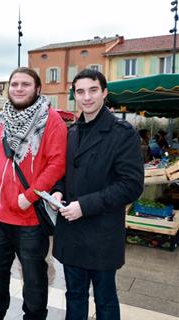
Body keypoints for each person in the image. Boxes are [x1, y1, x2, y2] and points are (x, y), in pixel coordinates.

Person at [51, 69, 144, 320]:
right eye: (80, 92)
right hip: (71, 233)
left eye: (93, 90)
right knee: (74, 295)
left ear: (104, 92)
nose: (87, 97)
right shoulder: (71, 132)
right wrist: (58, 192)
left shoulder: (122, 133)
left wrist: (85, 205)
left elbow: (132, 185)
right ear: (74, 96)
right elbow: (63, 174)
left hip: (101, 234)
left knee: (105, 299)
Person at [0, 67, 68, 320]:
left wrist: (29, 196)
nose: (18, 89)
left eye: (25, 84)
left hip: (29, 219)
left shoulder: (51, 120)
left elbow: (56, 164)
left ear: (38, 89)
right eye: (14, 84)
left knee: (34, 277)